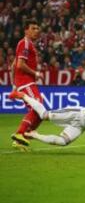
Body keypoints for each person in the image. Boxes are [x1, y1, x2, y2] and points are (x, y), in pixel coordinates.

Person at [11, 19, 43, 151]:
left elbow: (13, 65)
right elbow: (19, 65)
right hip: (26, 81)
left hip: (24, 82)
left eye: (37, 28)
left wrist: (14, 84)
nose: (36, 31)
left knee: (40, 111)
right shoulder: (24, 43)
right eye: (33, 28)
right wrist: (35, 73)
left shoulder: (28, 44)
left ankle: (21, 138)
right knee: (37, 106)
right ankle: (20, 133)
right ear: (26, 30)